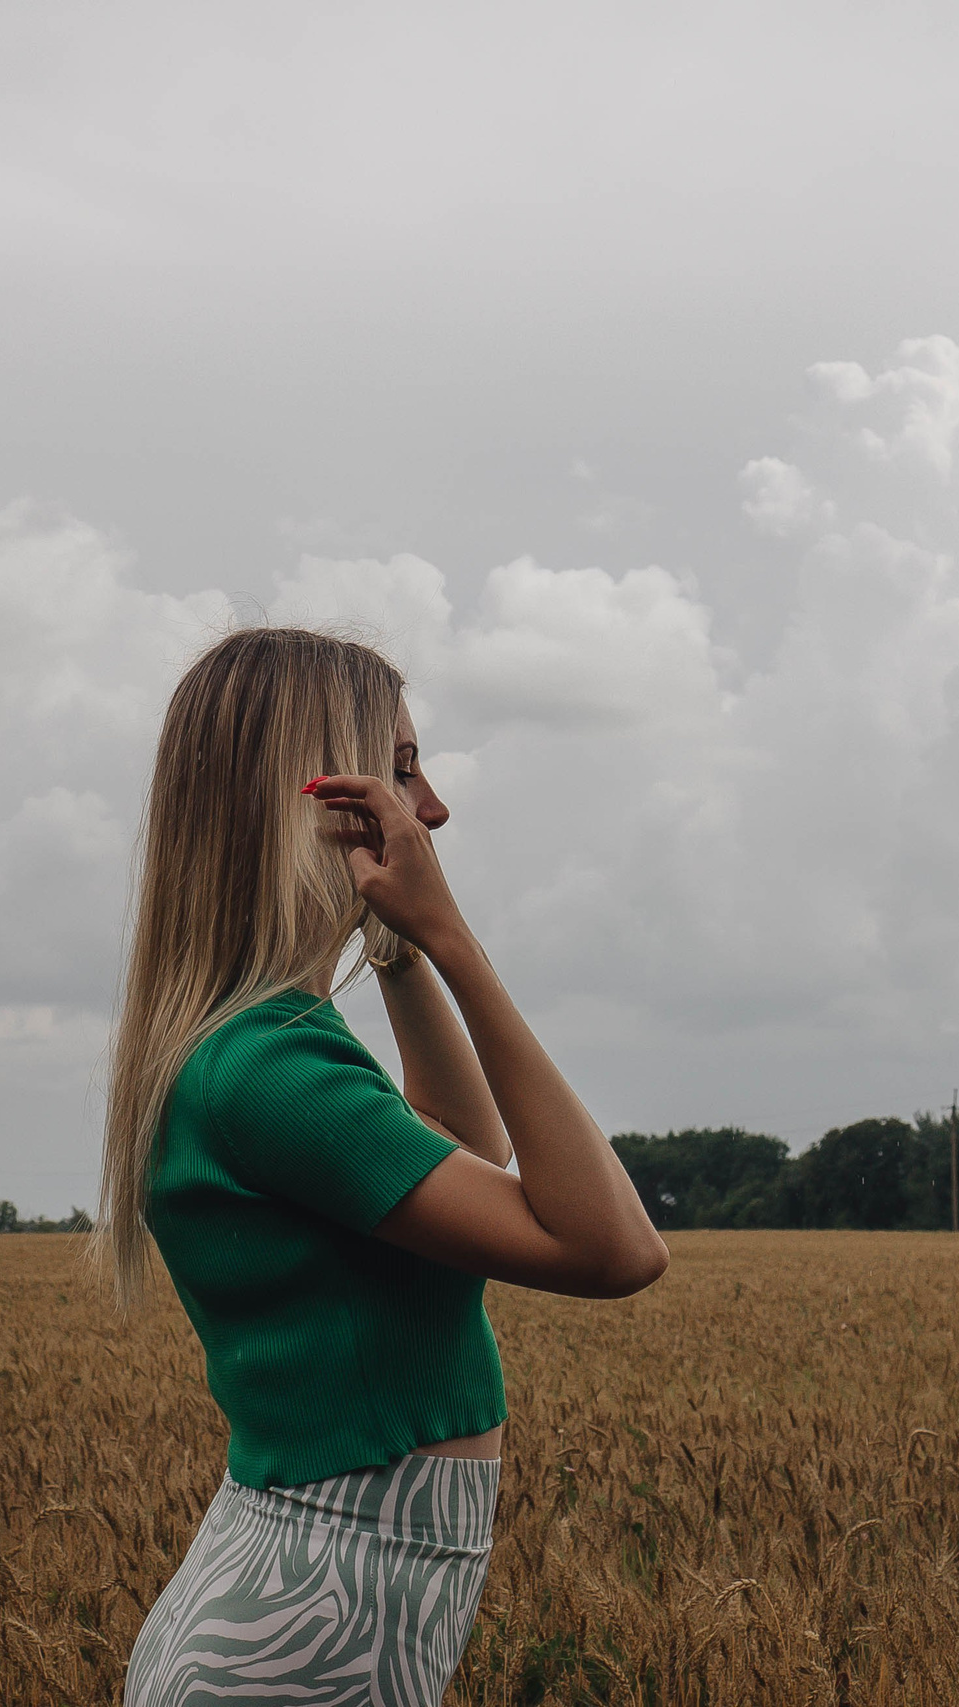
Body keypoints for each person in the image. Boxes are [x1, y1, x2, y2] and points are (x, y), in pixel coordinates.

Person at [99, 627, 668, 1704]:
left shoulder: (253, 1045)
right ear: (310, 801)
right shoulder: (269, 1071)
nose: (433, 812)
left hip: (308, 1604)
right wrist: (455, 941)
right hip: (305, 1628)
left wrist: (396, 947)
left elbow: (463, 1148)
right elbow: (613, 1247)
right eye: (401, 773)